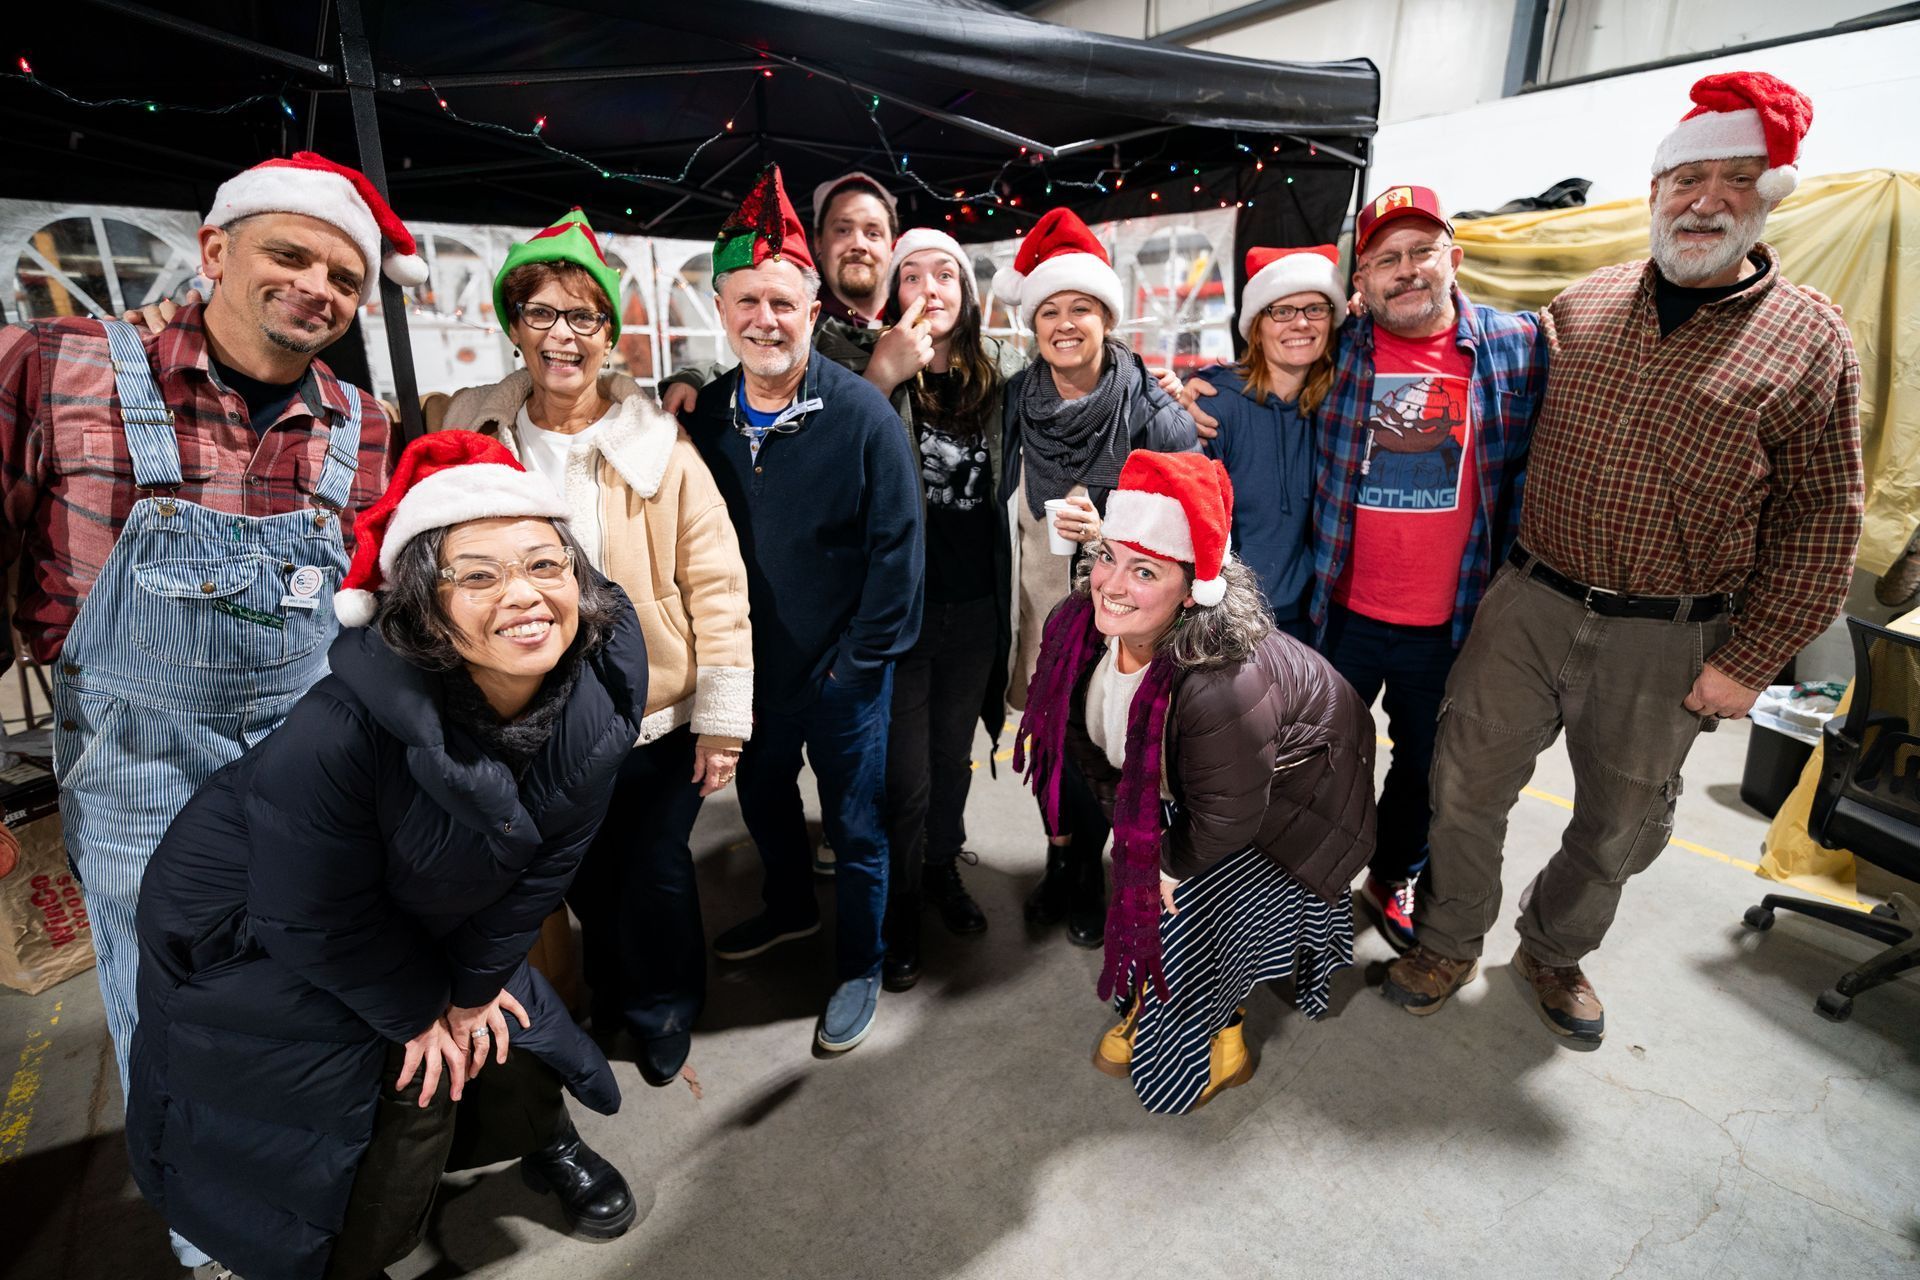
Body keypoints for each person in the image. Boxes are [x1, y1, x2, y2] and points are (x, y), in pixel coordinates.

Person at [1384, 71, 1863, 1045]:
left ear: (1768, 196)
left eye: (1736, 177)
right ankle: (1448, 934)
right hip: (1530, 599)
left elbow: (1823, 520)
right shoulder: (1587, 304)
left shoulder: (1810, 339)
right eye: (1686, 178)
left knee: (1621, 824)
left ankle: (1554, 952)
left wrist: (1751, 656)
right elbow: (1469, 370)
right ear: (1654, 194)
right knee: (1464, 783)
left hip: (1670, 636)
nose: (1706, 198)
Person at [0, 150, 404, 1273]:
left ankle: (309, 1206)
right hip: (133, 761)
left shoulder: (360, 424)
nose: (317, 285)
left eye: (342, 272)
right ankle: (212, 1242)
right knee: (165, 1004)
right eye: (290, 253)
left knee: (309, 984)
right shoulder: (59, 362)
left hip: (299, 752)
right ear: (216, 250)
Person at [127, 432, 648, 1280]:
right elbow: (307, 912)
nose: (524, 595)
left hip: (425, 903)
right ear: (420, 607)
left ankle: (542, 1137)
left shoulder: (593, 701)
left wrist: (471, 992)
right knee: (366, 1095)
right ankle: (353, 1250)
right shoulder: (335, 732)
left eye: (546, 565)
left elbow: (546, 869)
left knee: (499, 1015)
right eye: (478, 575)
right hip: (253, 933)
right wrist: (416, 1010)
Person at [427, 207, 753, 1090]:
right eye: (541, 314)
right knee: (562, 877)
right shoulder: (471, 433)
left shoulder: (662, 447)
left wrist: (721, 720)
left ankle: (665, 1007)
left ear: (609, 334)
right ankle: (603, 994)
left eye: (583, 317)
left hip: (650, 711)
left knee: (649, 871)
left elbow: (719, 585)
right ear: (513, 325)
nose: (562, 337)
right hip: (522, 712)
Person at [1186, 184, 1546, 955]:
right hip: (1340, 608)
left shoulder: (1519, 347)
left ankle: (1393, 875)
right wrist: (1174, 388)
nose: (1407, 270)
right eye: (1387, 258)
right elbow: (1269, 358)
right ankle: (1298, 886)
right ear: (1364, 282)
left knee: (1425, 766)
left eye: (1422, 252)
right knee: (1318, 759)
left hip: (1452, 619)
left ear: (1456, 256)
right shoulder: (1343, 349)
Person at [1016, 450, 1374, 1113]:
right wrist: (1133, 837)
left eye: (1145, 570)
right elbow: (1085, 747)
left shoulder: (1217, 685)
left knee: (1193, 920)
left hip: (1294, 804)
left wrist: (1165, 869)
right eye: (1109, 557)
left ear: (1191, 592)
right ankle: (1155, 995)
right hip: (1216, 786)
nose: (1111, 585)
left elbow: (1230, 817)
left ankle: (1219, 1035)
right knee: (1142, 879)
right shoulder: (1082, 631)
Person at [682, 166, 923, 1053]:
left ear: (811, 308)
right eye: (748, 302)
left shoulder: (863, 415)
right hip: (749, 672)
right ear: (722, 307)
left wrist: (854, 669)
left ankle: (861, 960)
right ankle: (787, 909)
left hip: (842, 677)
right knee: (765, 801)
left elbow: (900, 558)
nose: (765, 321)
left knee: (857, 827)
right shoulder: (703, 414)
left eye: (782, 303)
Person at [995, 206, 1199, 950]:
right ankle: (1061, 867)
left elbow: (1195, 530)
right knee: (1051, 751)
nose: (1065, 322)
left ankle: (1100, 879)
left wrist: (1111, 523)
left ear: (1107, 315)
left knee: (1107, 757)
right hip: (1038, 614)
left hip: (1121, 624)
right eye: (1049, 309)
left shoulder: (1153, 413)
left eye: (1081, 306)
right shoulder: (1017, 401)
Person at [871, 228, 1021, 990]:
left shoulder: (1002, 376)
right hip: (905, 615)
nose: (929, 288)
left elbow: (1086, 368)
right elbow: (776, 387)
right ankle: (895, 909)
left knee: (952, 758)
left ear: (966, 294)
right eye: (912, 275)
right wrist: (881, 372)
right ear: (893, 292)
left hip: (974, 610)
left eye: (945, 275)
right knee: (903, 777)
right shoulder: (867, 363)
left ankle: (939, 870)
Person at [1186, 245, 1344, 639]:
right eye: (1282, 311)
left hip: (1309, 617)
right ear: (1258, 324)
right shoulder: (1214, 406)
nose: (1300, 323)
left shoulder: (1336, 405)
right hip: (1228, 616)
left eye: (1314, 309)